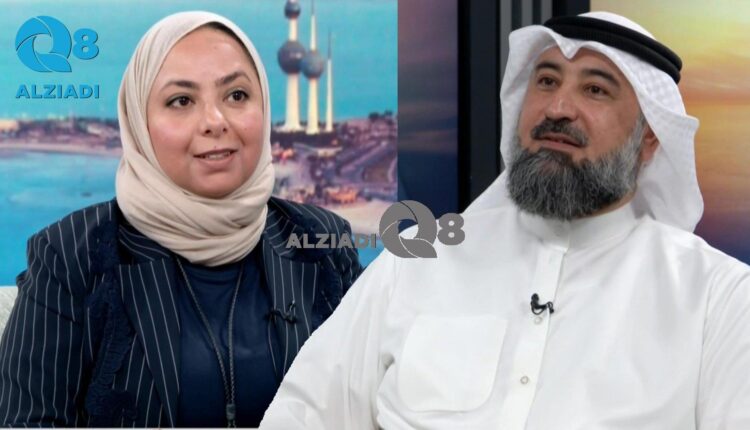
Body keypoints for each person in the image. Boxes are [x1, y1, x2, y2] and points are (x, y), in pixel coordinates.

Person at [259, 11, 750, 429]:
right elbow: (303, 414)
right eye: (547, 81)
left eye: (595, 89)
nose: (558, 108)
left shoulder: (716, 300)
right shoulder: (418, 260)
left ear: (650, 138)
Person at [0, 11, 362, 428]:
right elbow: (29, 421)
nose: (215, 122)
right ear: (139, 122)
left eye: (237, 95)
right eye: (181, 101)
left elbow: (367, 397)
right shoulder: (71, 255)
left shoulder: (321, 240)